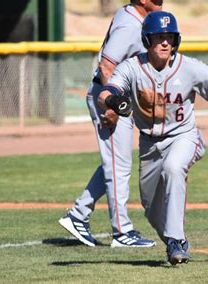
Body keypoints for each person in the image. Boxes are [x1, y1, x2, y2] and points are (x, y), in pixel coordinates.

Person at [98, 11, 208, 265]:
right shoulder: (132, 67)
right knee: (151, 209)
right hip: (150, 144)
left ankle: (174, 241)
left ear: (176, 41)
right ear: (146, 40)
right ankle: (179, 241)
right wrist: (114, 101)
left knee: (174, 168)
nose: (165, 42)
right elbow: (106, 91)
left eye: (170, 37)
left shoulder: (191, 68)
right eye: (159, 36)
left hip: (185, 136)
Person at [59, 0, 164, 248]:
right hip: (109, 97)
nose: (161, 1)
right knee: (119, 165)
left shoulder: (133, 16)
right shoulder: (130, 24)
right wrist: (112, 106)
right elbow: (107, 66)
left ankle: (78, 214)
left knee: (115, 161)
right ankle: (121, 231)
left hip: (117, 97)